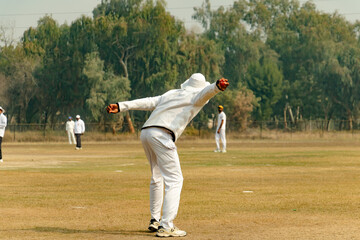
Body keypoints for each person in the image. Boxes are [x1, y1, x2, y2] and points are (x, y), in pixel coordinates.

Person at [106, 73, 229, 237]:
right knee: (175, 179)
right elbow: (206, 92)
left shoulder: (172, 93)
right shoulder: (196, 96)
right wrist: (216, 87)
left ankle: (155, 220)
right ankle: (166, 225)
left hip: (147, 132)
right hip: (162, 135)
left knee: (157, 176)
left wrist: (121, 106)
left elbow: (148, 101)